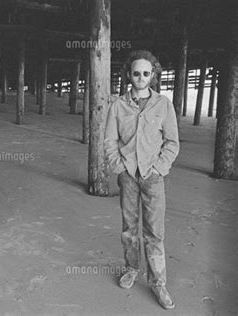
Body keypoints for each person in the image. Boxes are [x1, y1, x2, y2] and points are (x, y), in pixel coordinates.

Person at [104, 50, 179, 310]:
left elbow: (172, 142)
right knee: (129, 228)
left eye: (146, 73)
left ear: (154, 75)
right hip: (128, 177)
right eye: (136, 73)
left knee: (154, 233)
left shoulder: (164, 105)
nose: (141, 77)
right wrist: (120, 167)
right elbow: (110, 141)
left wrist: (159, 168)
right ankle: (132, 268)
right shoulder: (118, 105)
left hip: (153, 178)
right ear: (128, 74)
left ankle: (158, 283)